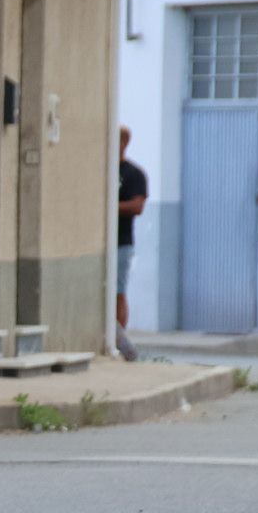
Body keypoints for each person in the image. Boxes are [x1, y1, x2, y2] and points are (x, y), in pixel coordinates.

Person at [116, 125, 148, 361]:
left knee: (118, 292)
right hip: (102, 243)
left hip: (121, 244)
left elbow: (137, 206)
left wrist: (110, 207)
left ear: (124, 142)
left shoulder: (134, 174)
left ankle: (119, 341)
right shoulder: (101, 170)